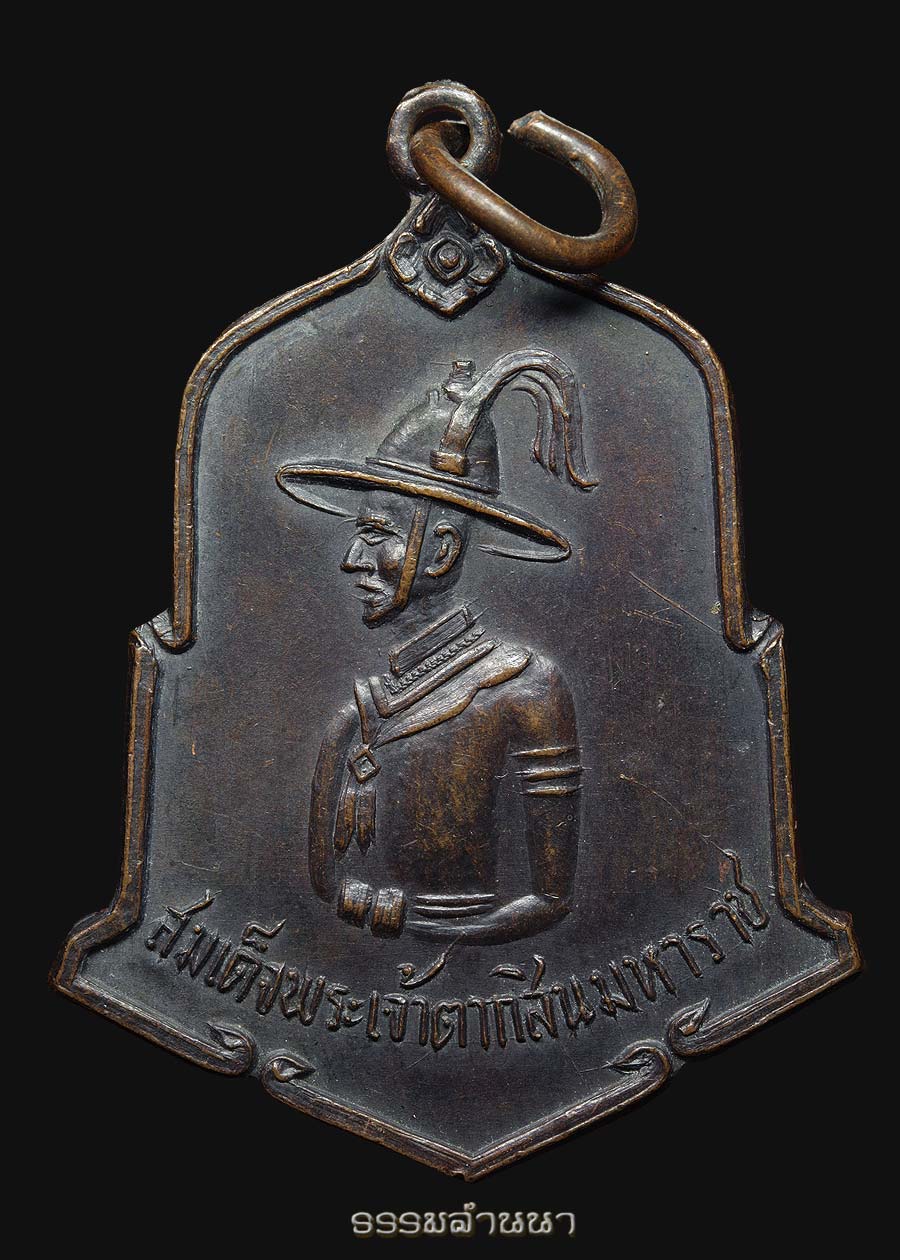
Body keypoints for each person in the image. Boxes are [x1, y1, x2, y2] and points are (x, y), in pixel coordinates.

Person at [277, 353, 593, 944]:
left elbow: (551, 900)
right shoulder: (359, 714)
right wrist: (362, 905)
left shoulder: (526, 687)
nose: (352, 560)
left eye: (377, 535)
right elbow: (325, 881)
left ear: (442, 551)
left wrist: (419, 927)